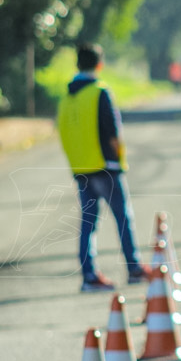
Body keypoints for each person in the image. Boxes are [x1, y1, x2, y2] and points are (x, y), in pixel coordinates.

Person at [57, 43, 148, 292]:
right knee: (122, 217)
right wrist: (118, 160)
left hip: (81, 168)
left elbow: (63, 131)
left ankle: (88, 275)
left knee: (88, 223)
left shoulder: (66, 97)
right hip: (105, 166)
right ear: (100, 64)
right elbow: (113, 132)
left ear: (77, 65)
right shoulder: (100, 92)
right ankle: (133, 268)